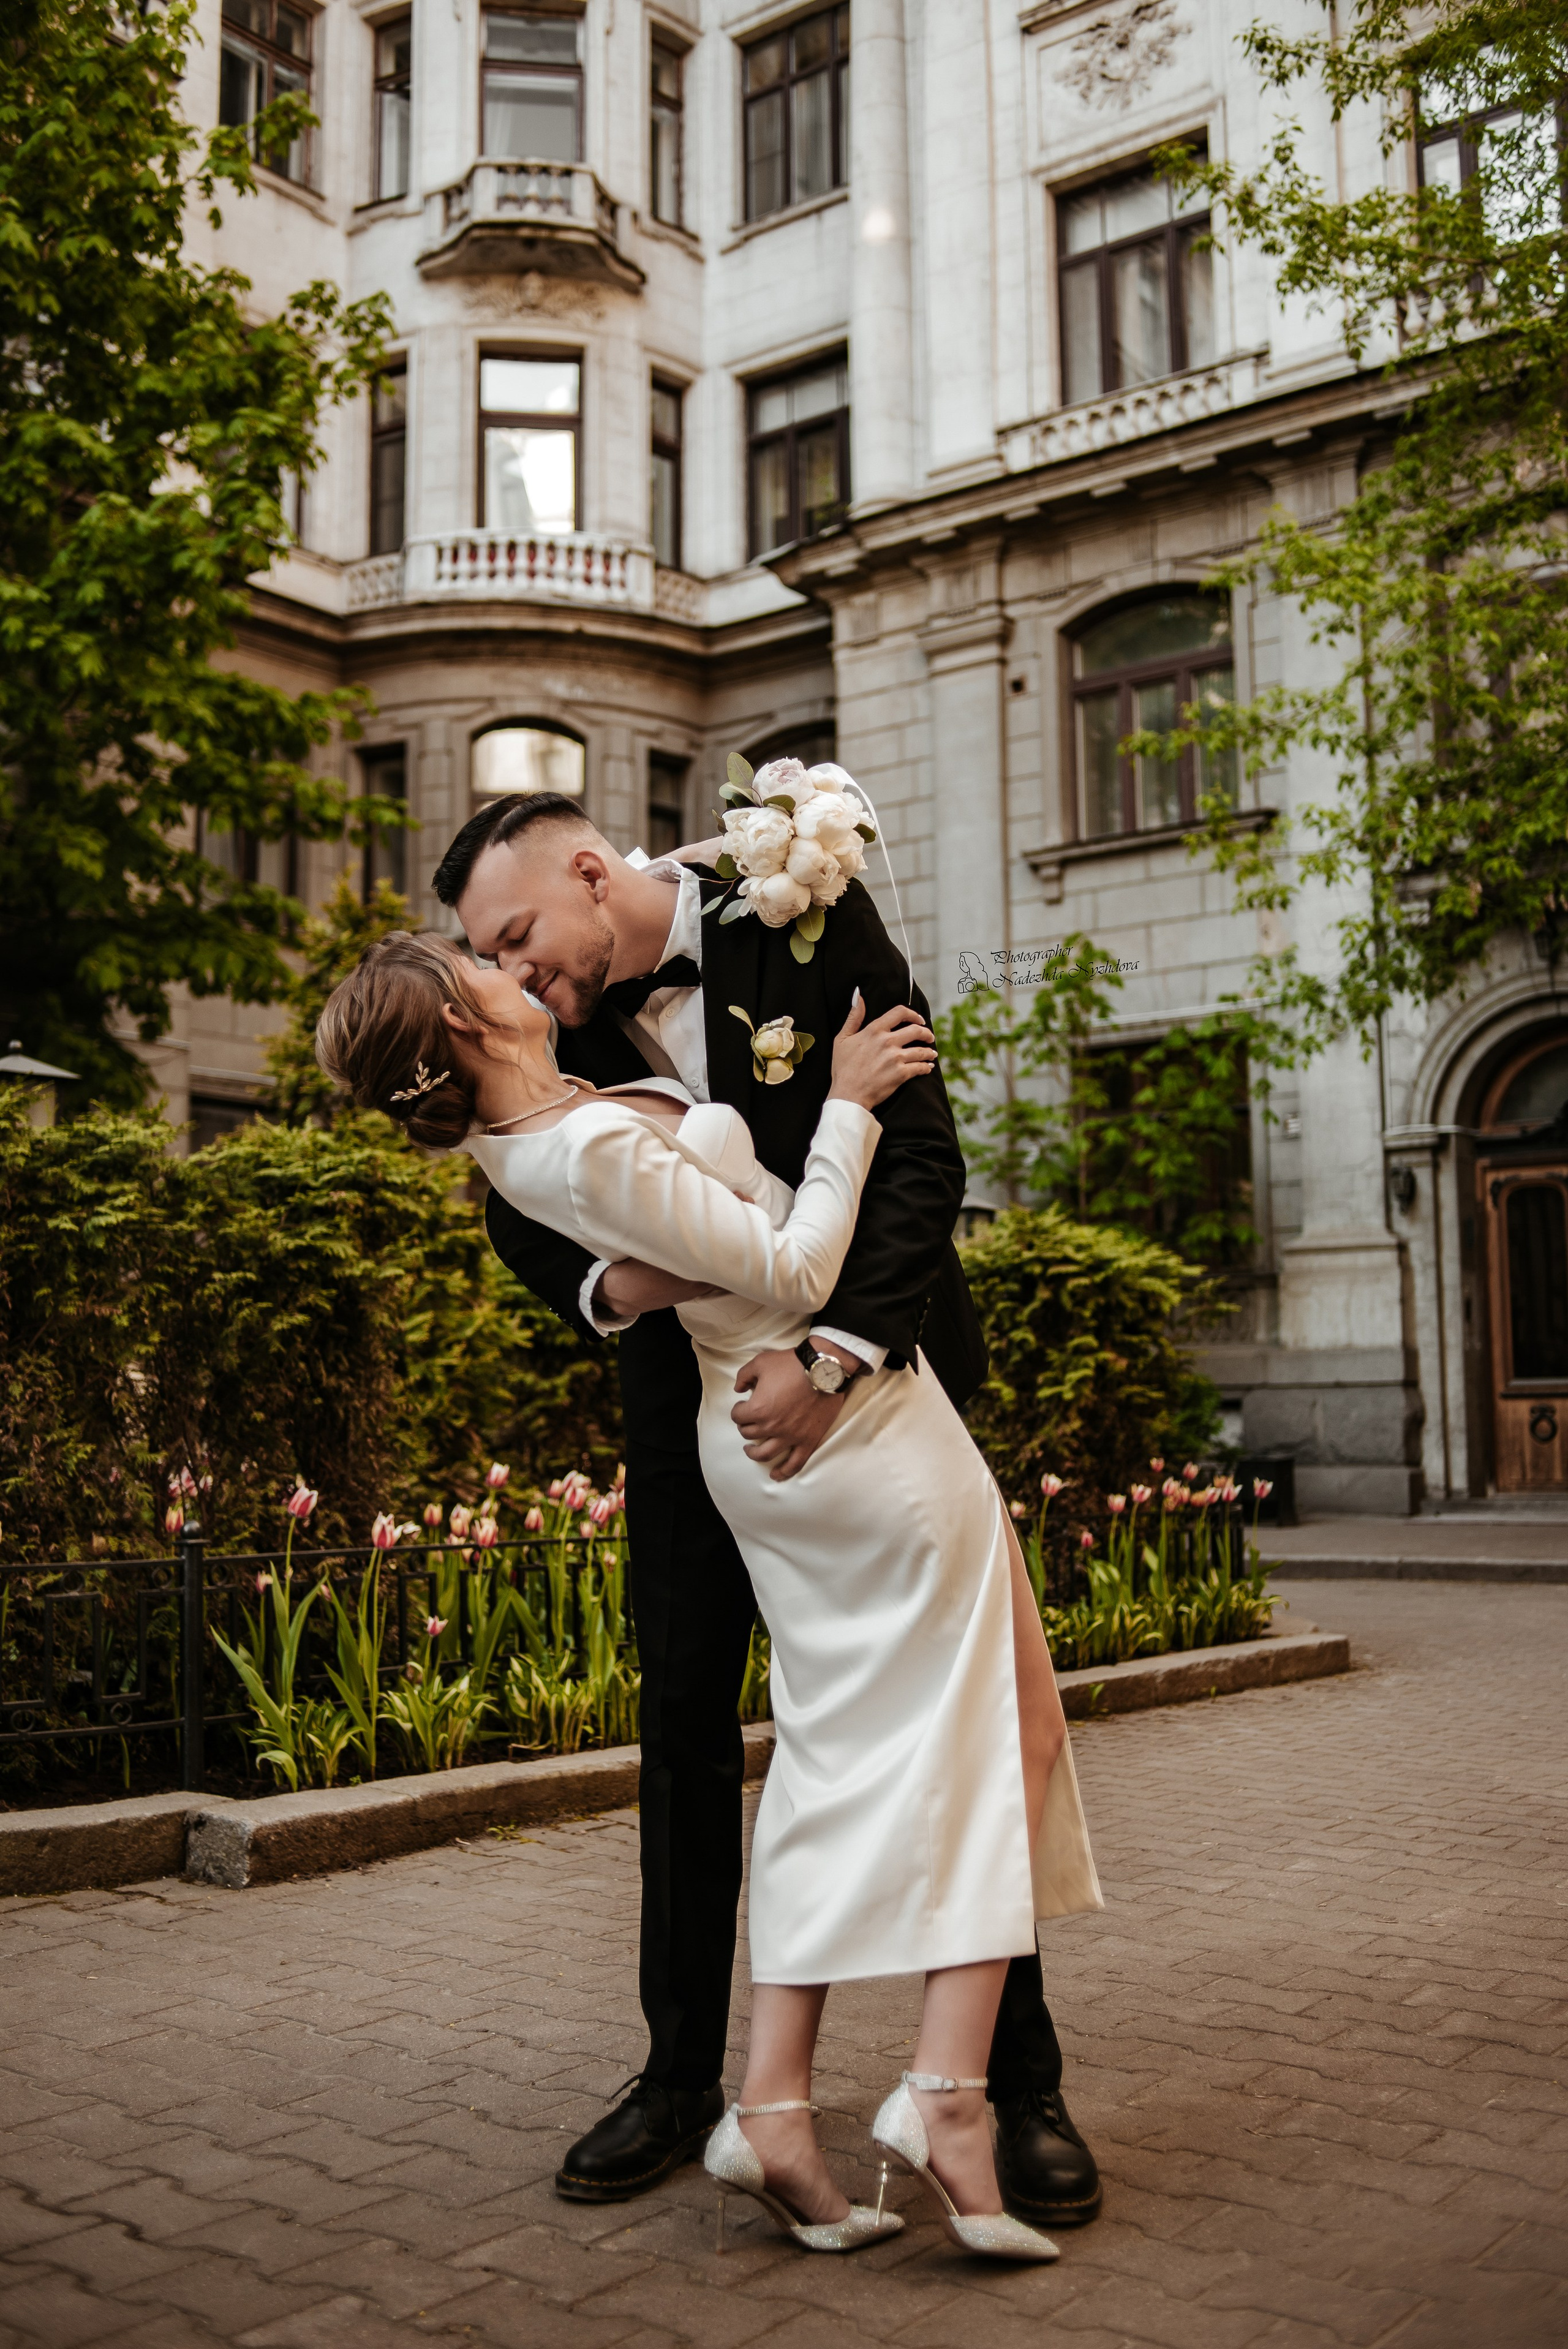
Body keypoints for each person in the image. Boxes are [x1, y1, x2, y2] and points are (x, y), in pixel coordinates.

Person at [315, 921, 1102, 2259]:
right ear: (457, 1022)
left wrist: (635, 1280)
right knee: (984, 1735)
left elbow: (653, 1254)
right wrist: (845, 1108)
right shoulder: (574, 1144)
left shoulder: (535, 1133)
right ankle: (941, 2095)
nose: (509, 965)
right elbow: (791, 1266)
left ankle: (789, 2105)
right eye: (481, 962)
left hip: (797, 1426)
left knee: (874, 1746)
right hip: (841, 1422)